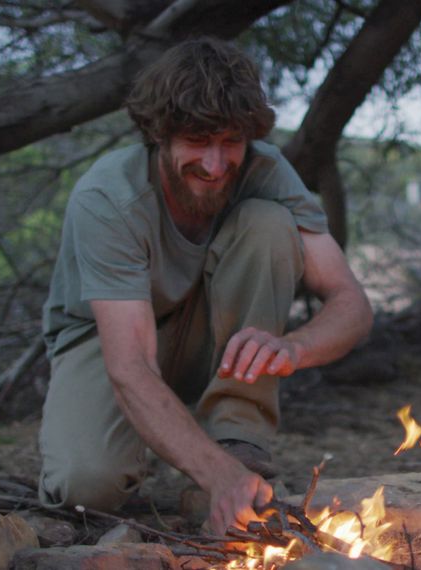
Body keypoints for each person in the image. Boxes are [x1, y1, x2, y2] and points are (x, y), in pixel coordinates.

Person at [37, 37, 373, 535]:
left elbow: (353, 305)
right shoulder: (108, 197)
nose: (216, 165)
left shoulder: (267, 171)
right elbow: (129, 365)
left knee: (267, 224)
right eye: (197, 140)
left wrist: (290, 347)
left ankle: (238, 441)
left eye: (230, 141)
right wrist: (217, 477)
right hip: (110, 342)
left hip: (210, 336)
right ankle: (206, 467)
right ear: (160, 134)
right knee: (87, 487)